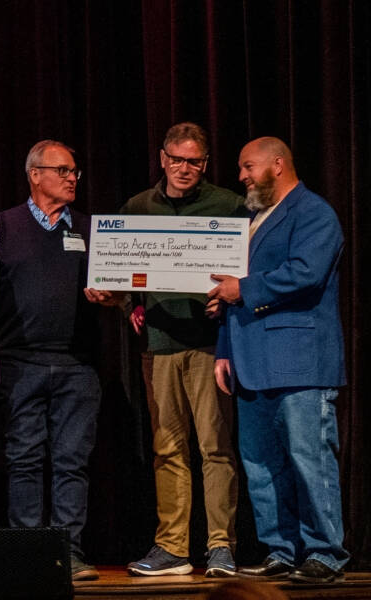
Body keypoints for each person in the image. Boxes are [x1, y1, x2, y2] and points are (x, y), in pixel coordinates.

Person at [211, 137, 346, 584]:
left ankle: (325, 552)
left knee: (310, 458)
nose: (242, 176)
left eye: (248, 167)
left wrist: (242, 290)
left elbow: (306, 273)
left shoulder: (314, 213)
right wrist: (224, 352)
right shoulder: (251, 219)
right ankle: (281, 548)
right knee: (261, 462)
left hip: (299, 359)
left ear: (277, 164)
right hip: (251, 360)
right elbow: (232, 289)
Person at [0, 140, 103, 581]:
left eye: (74, 172)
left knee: (71, 460)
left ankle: (70, 553)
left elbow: (119, 291)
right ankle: (27, 553)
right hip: (19, 363)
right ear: (35, 175)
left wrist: (114, 297)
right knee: (23, 457)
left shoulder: (88, 227)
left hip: (77, 364)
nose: (71, 178)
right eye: (63, 170)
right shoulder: (2, 226)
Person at [117, 123, 243, 578]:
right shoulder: (138, 207)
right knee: (167, 448)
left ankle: (220, 546)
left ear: (205, 164)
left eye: (195, 161)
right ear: (163, 158)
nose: (185, 168)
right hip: (161, 346)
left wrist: (234, 292)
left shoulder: (228, 205)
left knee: (214, 447)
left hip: (212, 344)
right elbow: (122, 265)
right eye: (177, 159)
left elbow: (247, 267)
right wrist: (130, 302)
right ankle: (172, 548)